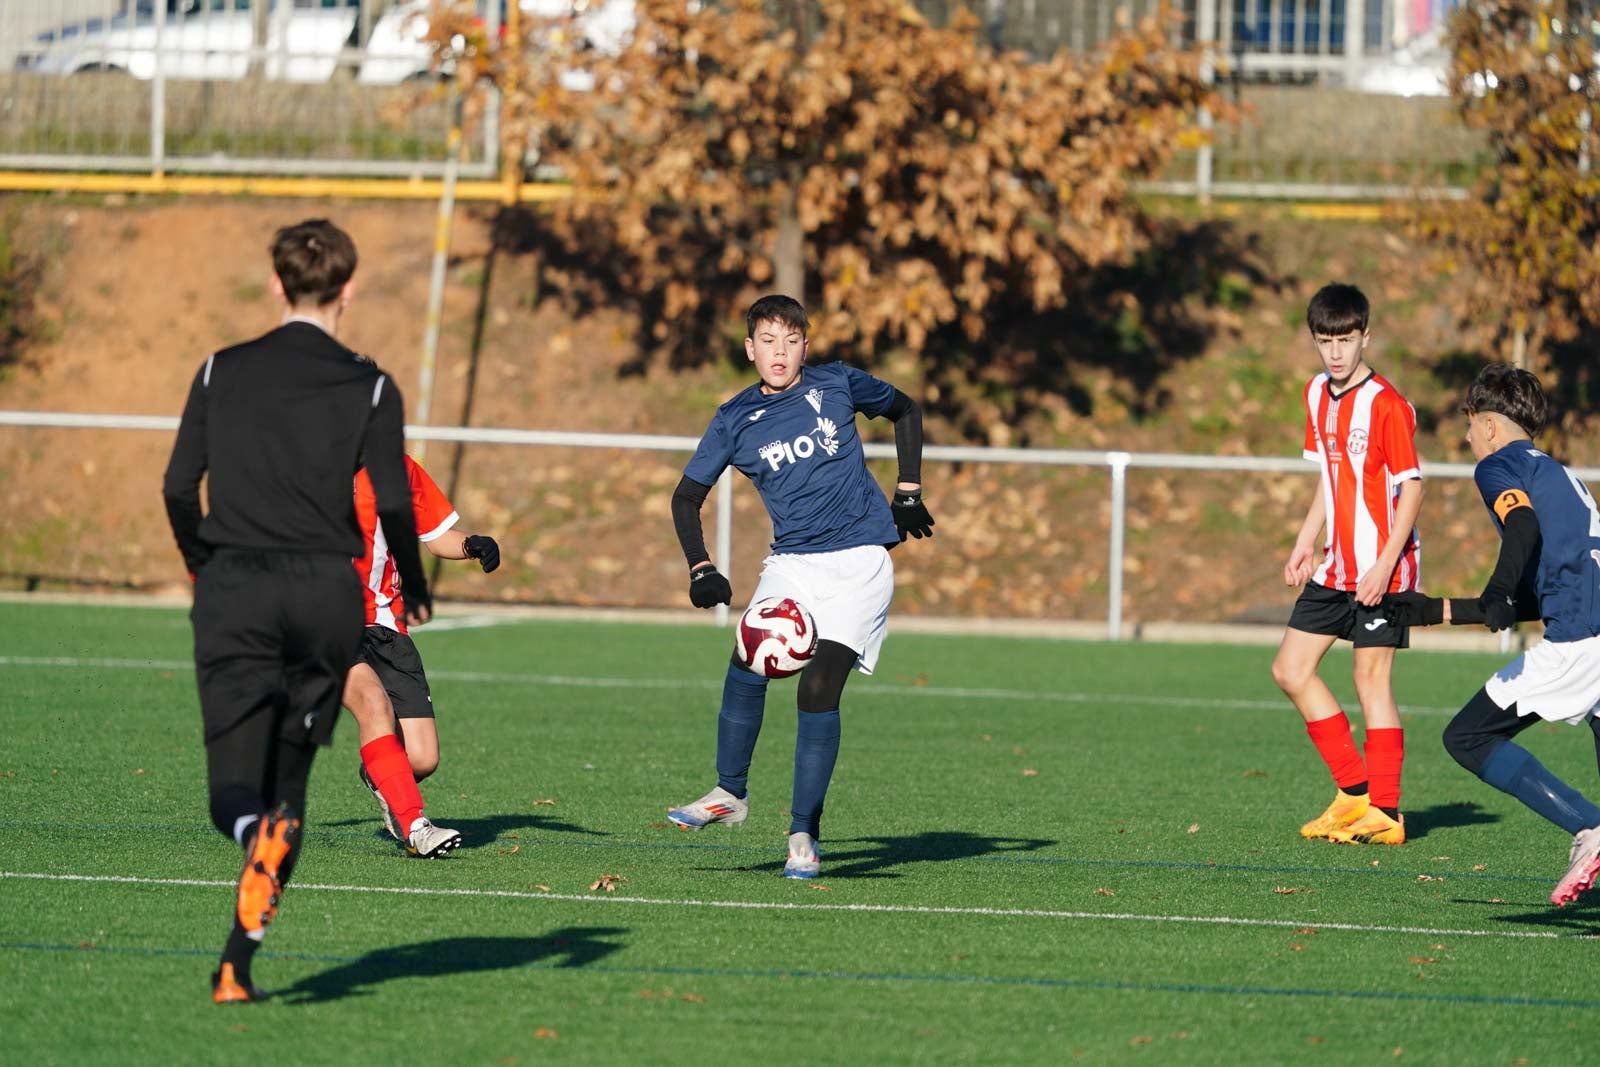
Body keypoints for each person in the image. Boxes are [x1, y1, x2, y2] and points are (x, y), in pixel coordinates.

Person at [161, 219, 430, 1003]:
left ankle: (252, 839)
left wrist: (200, 563)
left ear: (276, 286)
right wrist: (411, 581)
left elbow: (179, 487)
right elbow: (390, 499)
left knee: (234, 794)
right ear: (349, 290)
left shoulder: (220, 370)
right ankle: (235, 968)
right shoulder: (374, 385)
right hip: (325, 595)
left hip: (237, 588)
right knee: (291, 789)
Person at [664, 294, 934, 879]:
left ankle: (804, 834)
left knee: (816, 689)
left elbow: (906, 410)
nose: (779, 352)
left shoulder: (837, 384)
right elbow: (685, 497)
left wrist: (907, 489)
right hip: (793, 564)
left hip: (861, 564)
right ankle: (729, 792)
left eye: (790, 341)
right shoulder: (734, 418)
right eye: (767, 341)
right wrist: (700, 566)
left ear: (805, 346)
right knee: (747, 653)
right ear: (750, 349)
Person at [1383, 364, 1600, 905]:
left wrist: (1498, 588)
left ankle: (1590, 830)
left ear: (1488, 425)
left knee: (1468, 737)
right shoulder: (1556, 475)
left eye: (1470, 424)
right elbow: (1532, 595)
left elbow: (1520, 528)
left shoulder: (1498, 465)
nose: (1466, 437)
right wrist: (1438, 610)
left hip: (1581, 636)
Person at [1270, 283, 1424, 846]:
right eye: (1325, 340)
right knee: (1290, 670)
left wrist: (1385, 563)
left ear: (1365, 336)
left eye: (1346, 339)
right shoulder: (1315, 394)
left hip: (1384, 567)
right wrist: (1305, 541)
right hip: (1336, 566)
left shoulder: (1386, 403)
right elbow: (1330, 480)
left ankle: (1385, 811)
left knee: (1369, 678)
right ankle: (1353, 793)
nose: (1335, 352)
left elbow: (1411, 490)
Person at [345, 454, 500, 858]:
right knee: (373, 703)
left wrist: (470, 545)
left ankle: (382, 775)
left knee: (422, 758)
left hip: (386, 625)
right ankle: (416, 826)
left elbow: (434, 535)